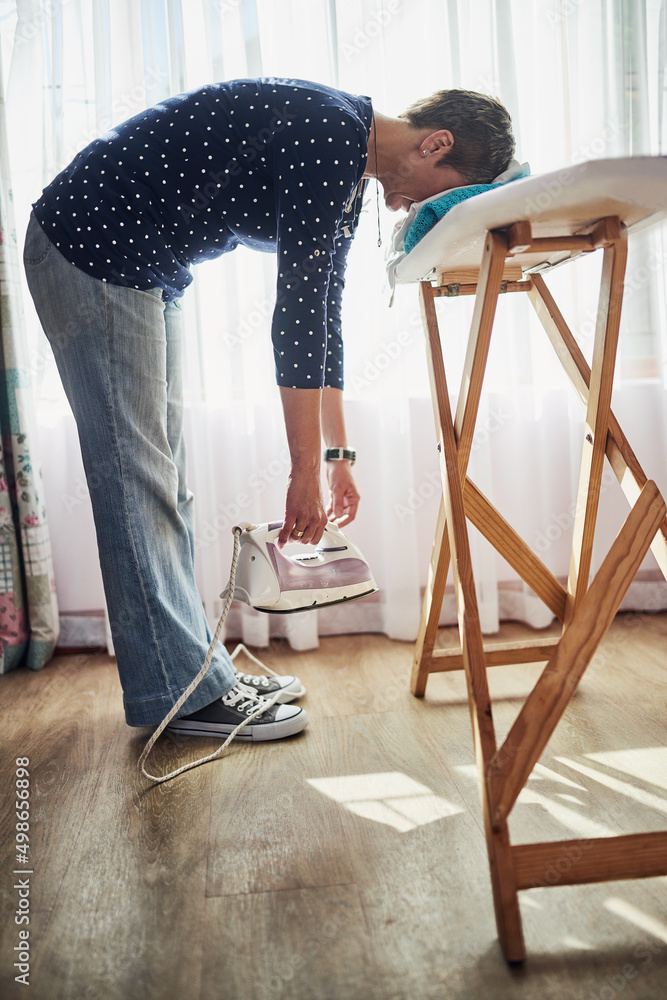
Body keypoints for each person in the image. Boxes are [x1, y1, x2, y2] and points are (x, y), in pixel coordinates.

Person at [24, 77, 514, 743]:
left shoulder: (346, 162)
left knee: (165, 484)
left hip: (143, 264)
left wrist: (336, 459)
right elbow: (296, 320)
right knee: (137, 482)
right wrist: (301, 471)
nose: (426, 206)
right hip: (95, 245)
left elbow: (325, 322)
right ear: (434, 145)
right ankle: (182, 698)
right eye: (445, 189)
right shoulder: (329, 136)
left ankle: (198, 676)